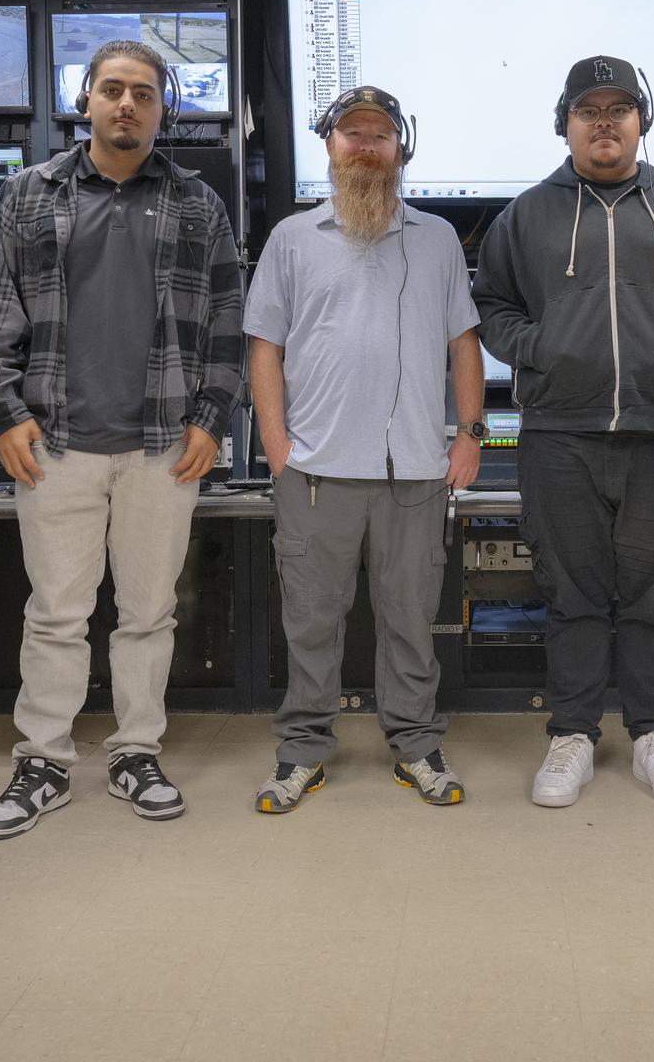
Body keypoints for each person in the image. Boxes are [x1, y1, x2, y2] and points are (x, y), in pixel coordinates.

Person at [0, 39, 242, 838]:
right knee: (55, 612)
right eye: (113, 90)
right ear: (84, 100)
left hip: (163, 444)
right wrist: (7, 416)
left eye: (145, 94)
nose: (128, 104)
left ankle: (135, 751)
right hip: (55, 443)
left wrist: (213, 419)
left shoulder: (199, 204)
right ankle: (43, 759)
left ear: (165, 110)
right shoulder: (31, 194)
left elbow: (228, 320)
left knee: (148, 612)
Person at [474, 54, 654, 808]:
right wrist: (542, 349)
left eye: (618, 109)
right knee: (573, 594)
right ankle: (572, 734)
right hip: (559, 434)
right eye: (588, 110)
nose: (604, 122)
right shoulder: (527, 214)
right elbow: (492, 306)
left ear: (642, 120)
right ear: (564, 123)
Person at [244, 85, 483, 813]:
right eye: (354, 135)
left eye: (381, 136)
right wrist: (278, 448)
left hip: (414, 470)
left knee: (411, 617)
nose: (368, 147)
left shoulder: (436, 238)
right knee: (311, 619)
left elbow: (463, 345)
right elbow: (264, 348)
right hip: (314, 471)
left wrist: (467, 433)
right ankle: (304, 749)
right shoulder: (293, 240)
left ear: (400, 150)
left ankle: (415, 743)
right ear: (330, 148)